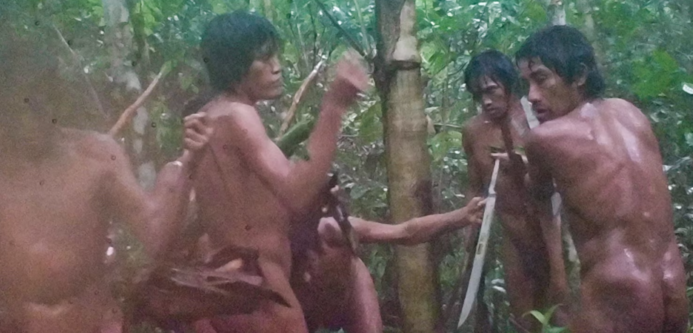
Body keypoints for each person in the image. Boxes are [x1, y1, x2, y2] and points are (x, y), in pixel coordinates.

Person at [0, 51, 212, 333]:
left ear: (56, 101)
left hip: (89, 322)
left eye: (36, 107)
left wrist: (187, 162)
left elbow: (155, 237)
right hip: (9, 323)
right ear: (0, 111)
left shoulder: (97, 155)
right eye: (15, 111)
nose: (27, 122)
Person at [191, 11, 368, 333]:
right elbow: (296, 192)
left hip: (231, 278)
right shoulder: (237, 115)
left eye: (275, 55)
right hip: (255, 282)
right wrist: (334, 106)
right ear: (234, 66)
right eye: (264, 58)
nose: (277, 66)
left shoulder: (212, 115)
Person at [515, 25, 688, 333]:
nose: (531, 97)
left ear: (579, 75)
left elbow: (539, 195)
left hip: (620, 292)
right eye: (526, 84)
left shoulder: (544, 138)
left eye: (541, 79)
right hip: (672, 283)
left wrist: (557, 278)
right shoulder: (631, 113)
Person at [461, 50, 568, 332]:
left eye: (491, 91)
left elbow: (566, 181)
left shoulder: (538, 119)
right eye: (477, 95)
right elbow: (476, 187)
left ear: (508, 84)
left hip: (553, 236)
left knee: (564, 313)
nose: (485, 101)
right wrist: (468, 235)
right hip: (515, 240)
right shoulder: (473, 132)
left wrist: (527, 168)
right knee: (525, 319)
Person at [292, 196, 485, 333]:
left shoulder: (332, 230)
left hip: (347, 290)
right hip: (307, 305)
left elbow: (405, 231)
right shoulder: (276, 245)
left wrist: (462, 216)